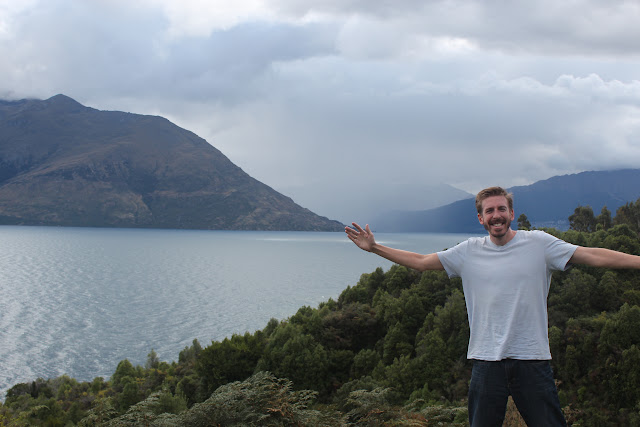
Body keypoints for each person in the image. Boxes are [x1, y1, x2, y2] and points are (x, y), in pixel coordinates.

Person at [345, 186, 640, 427]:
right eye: (489, 211)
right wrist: (375, 248)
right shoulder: (468, 251)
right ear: (481, 218)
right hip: (486, 363)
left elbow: (593, 255)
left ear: (511, 213)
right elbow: (422, 262)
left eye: (501, 209)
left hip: (532, 360)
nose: (496, 215)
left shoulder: (539, 244)